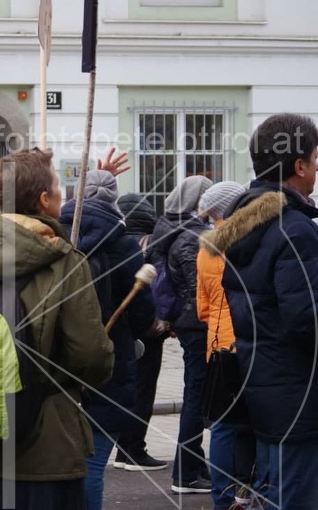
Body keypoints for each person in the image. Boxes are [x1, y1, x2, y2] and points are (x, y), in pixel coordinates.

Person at [0, 148, 114, 510]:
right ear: (44, 199)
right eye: (57, 185)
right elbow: (91, 356)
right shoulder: (66, 263)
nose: (62, 193)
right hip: (45, 446)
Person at [212, 113, 318, 508]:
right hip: (297, 393)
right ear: (299, 165)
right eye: (315, 157)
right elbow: (306, 320)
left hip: (263, 384)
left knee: (273, 495)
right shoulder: (294, 228)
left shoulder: (247, 223)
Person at [59, 170, 157, 510]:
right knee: (93, 463)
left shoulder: (55, 235)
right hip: (107, 368)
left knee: (58, 466)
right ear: (114, 200)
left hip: (57, 365)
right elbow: (144, 316)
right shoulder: (123, 244)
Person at [148, 174, 213, 494]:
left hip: (186, 323)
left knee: (196, 396)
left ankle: (193, 465)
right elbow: (196, 285)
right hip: (197, 325)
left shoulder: (169, 226)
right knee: (196, 398)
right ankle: (186, 474)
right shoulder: (191, 234)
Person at [195, 181, 256, 510]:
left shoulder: (206, 248)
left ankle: (221, 496)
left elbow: (202, 308)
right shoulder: (246, 242)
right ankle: (250, 492)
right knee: (255, 422)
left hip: (218, 345)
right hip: (247, 340)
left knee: (223, 425)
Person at [113, 193, 169, 472]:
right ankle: (133, 448)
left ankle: (123, 447)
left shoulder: (114, 245)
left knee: (123, 388)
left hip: (118, 330)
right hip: (148, 330)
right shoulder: (151, 244)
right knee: (144, 390)